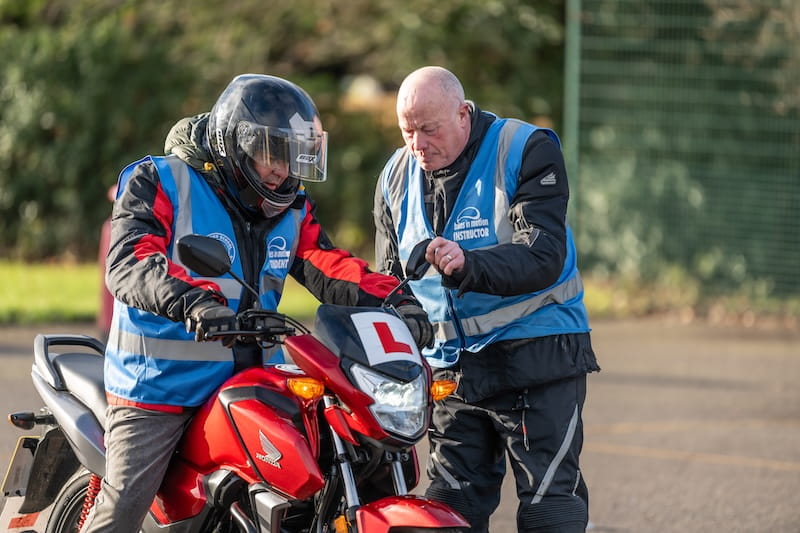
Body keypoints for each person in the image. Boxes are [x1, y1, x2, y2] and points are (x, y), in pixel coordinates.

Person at [81, 74, 432, 533]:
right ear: (235, 144)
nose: (282, 170)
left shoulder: (288, 206)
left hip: (255, 382)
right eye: (271, 154)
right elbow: (131, 261)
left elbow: (328, 264)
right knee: (123, 508)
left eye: (291, 157)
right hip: (160, 388)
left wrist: (397, 300)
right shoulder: (161, 180)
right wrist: (193, 302)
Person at [373, 66, 600, 532]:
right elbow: (387, 281)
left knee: (548, 507)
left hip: (538, 356)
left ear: (462, 114)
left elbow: (543, 254)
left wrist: (468, 265)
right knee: (447, 510)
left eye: (429, 130)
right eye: (407, 131)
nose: (417, 145)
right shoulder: (395, 177)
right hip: (454, 372)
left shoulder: (524, 148)